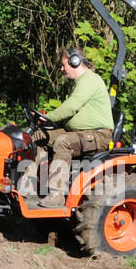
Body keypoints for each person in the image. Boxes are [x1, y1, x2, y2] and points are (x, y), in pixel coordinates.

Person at [31, 47, 115, 207]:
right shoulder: (79, 83)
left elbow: (71, 107)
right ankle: (35, 186)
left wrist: (47, 117)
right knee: (38, 136)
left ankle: (56, 194)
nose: (62, 69)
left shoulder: (90, 80)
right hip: (78, 133)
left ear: (75, 62)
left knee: (63, 141)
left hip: (98, 136)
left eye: (63, 65)